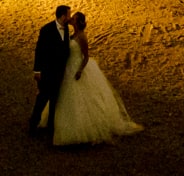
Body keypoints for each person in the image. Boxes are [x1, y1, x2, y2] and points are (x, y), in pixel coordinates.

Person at [49, 11, 142, 146]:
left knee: (79, 98)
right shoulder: (72, 34)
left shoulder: (81, 37)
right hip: (69, 67)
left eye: (74, 19)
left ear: (78, 22)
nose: (72, 20)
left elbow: (86, 56)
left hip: (77, 68)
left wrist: (80, 70)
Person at [27, 4, 71, 139]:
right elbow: (39, 50)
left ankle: (51, 128)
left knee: (54, 101)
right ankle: (32, 125)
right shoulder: (46, 30)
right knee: (42, 99)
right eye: (69, 15)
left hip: (59, 72)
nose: (70, 17)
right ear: (63, 16)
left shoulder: (67, 28)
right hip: (47, 72)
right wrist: (37, 70)